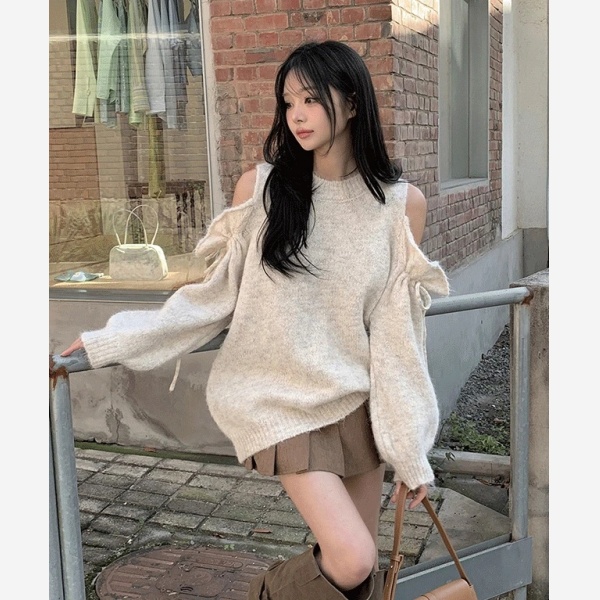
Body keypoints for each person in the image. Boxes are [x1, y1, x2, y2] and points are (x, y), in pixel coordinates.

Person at [61, 40, 449, 600]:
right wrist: (110, 340)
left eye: (311, 99)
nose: (297, 115)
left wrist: (410, 449)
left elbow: (397, 338)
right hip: (278, 399)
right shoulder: (263, 189)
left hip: (357, 403)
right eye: (288, 102)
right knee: (352, 557)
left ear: (353, 102)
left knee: (356, 575)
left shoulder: (400, 205)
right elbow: (211, 298)